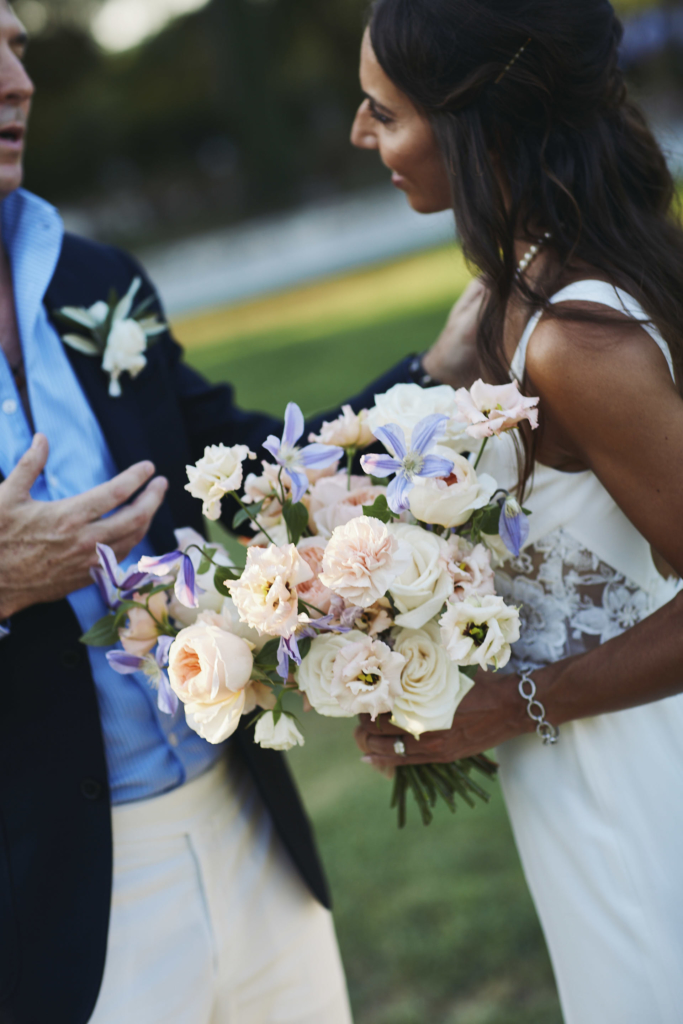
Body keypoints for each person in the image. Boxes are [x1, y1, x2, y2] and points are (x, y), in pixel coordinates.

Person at [0, 3, 462, 1022]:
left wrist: (429, 379)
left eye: (19, 49)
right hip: (45, 911)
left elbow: (246, 464)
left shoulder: (96, 279)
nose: (17, 83)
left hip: (248, 828)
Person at [352, 3, 683, 1023]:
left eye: (382, 112)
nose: (360, 137)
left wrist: (505, 705)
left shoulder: (572, 340)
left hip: (637, 774)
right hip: (575, 772)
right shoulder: (514, 297)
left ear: (474, 126)